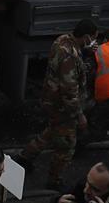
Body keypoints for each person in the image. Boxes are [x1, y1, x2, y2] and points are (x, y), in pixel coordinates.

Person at [15, 18, 98, 190]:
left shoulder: (62, 41)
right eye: (93, 38)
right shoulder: (69, 56)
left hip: (51, 101)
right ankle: (54, 180)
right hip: (63, 107)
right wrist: (80, 116)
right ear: (86, 37)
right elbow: (69, 91)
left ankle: (25, 156)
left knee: (52, 130)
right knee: (66, 145)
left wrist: (86, 53)